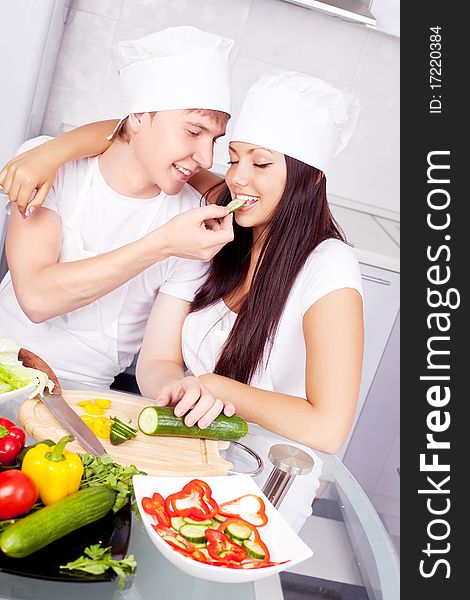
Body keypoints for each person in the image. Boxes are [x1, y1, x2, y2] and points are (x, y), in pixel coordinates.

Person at [1, 72, 364, 530]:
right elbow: (159, 362)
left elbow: (328, 428)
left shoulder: (328, 264)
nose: (236, 177)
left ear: (311, 182)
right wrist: (55, 149)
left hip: (269, 485)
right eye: (234, 159)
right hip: (191, 457)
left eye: (261, 163)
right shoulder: (221, 232)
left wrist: (215, 386)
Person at [0, 26, 236, 395]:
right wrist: (162, 245)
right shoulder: (53, 170)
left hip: (86, 397)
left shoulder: (195, 225)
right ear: (140, 116)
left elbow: (158, 361)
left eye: (215, 141)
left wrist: (180, 388)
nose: (207, 158)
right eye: (193, 132)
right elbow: (36, 298)